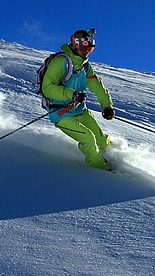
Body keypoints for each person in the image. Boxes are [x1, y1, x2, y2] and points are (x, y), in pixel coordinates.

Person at [41, 28, 115, 170]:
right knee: (88, 138)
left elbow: (97, 87)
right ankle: (101, 168)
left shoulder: (85, 67)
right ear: (75, 43)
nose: (86, 52)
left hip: (79, 110)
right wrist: (71, 95)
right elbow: (48, 88)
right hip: (61, 113)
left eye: (90, 49)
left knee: (101, 139)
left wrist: (107, 106)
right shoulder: (61, 62)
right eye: (84, 47)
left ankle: (117, 158)